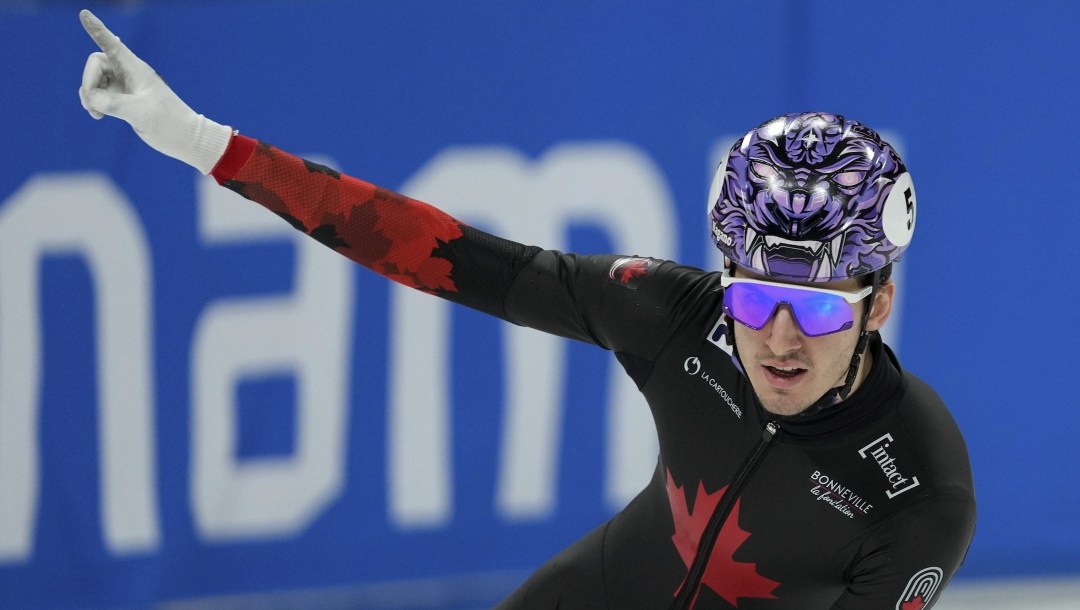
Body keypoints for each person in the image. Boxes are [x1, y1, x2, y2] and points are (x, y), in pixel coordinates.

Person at [77, 9, 976, 609]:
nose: (778, 340)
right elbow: (441, 252)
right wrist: (203, 144)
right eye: (754, 299)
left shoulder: (918, 491)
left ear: (879, 303)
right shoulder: (673, 315)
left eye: (817, 313)